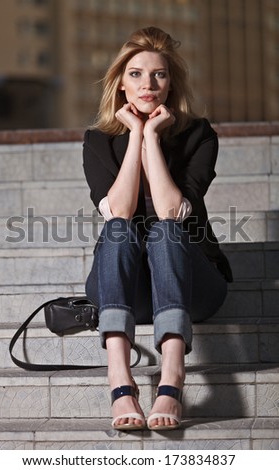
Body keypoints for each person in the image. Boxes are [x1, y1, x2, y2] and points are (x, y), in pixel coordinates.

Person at [83, 26, 232, 431]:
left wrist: (152, 135)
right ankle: (120, 378)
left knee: (166, 232)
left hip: (192, 287)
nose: (147, 84)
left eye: (159, 74)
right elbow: (118, 209)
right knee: (117, 230)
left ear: (170, 84)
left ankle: (172, 376)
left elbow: (170, 210)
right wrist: (135, 135)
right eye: (135, 74)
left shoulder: (198, 136)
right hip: (128, 291)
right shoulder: (97, 141)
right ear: (120, 85)